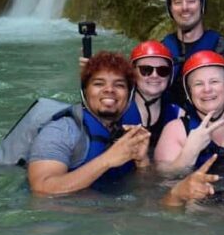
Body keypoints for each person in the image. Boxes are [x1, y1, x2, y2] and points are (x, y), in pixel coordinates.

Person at [27, 51, 151, 195]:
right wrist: (107, 159)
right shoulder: (61, 130)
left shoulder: (127, 131)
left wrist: (142, 162)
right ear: (85, 91)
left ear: (129, 94)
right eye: (99, 84)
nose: (109, 90)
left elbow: (147, 190)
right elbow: (41, 189)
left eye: (119, 85)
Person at [161, 0, 224, 105]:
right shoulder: (162, 53)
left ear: (202, 5)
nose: (184, 7)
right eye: (177, 2)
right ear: (170, 9)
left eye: (191, 0)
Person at [154, 50, 224, 177]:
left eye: (214, 81)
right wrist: (190, 152)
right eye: (198, 84)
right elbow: (163, 183)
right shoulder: (176, 131)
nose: (207, 89)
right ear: (189, 92)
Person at [122, 40, 183, 152]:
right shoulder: (116, 111)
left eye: (163, 70)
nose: (155, 75)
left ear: (170, 75)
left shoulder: (179, 115)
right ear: (132, 73)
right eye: (146, 70)